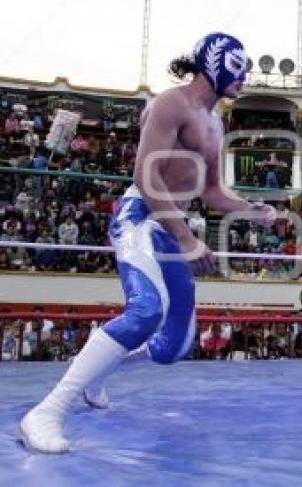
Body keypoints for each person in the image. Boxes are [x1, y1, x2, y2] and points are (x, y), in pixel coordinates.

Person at [20, 32, 277, 453]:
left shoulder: (215, 123)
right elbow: (145, 175)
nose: (244, 77)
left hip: (169, 227)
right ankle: (46, 412)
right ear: (213, 62)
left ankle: (98, 372)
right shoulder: (171, 104)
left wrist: (252, 209)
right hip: (140, 215)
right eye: (237, 67)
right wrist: (187, 238)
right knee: (146, 311)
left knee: (175, 344)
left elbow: (212, 191)